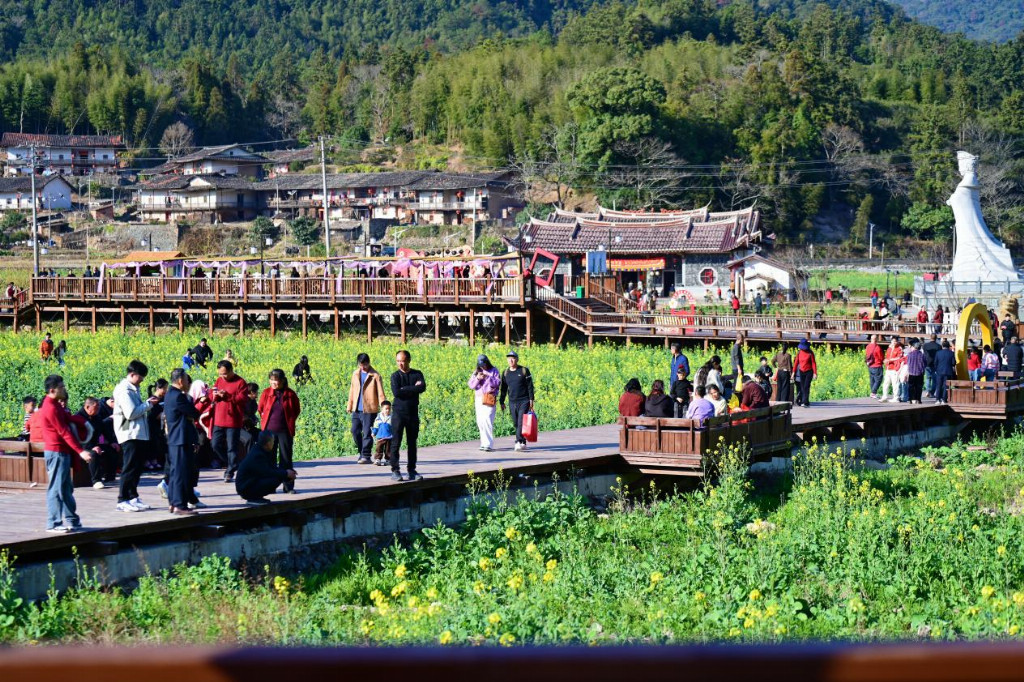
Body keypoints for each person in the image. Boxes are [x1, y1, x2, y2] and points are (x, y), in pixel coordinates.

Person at [38, 375, 94, 533]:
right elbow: (63, 431)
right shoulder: (50, 407)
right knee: (55, 488)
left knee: (66, 488)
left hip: (62, 452)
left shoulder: (56, 405)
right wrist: (80, 451)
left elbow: (67, 419)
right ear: (52, 390)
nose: (64, 389)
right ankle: (53, 523)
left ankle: (72, 520)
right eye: (61, 387)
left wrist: (83, 422)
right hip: (56, 452)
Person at [113, 360, 159, 513]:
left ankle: (133, 497)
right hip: (129, 433)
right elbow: (131, 413)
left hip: (137, 434)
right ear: (132, 374)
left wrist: (146, 403)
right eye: (140, 377)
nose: (142, 380)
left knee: (137, 467)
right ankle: (122, 499)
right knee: (129, 467)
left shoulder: (133, 389)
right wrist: (148, 404)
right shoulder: (124, 390)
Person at [164, 369, 204, 516]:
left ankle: (173, 503)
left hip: (174, 439)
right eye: (187, 380)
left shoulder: (169, 394)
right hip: (181, 438)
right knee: (181, 473)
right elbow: (194, 413)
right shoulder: (179, 397)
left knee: (175, 473)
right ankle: (180, 505)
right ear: (180, 381)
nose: (188, 383)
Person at [258, 369, 301, 492]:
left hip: (284, 431)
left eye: (275, 380)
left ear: (282, 381)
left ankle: (288, 486)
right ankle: (270, 486)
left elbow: (296, 410)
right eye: (271, 380)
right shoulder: (266, 393)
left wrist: (289, 421)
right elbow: (260, 408)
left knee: (286, 459)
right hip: (269, 432)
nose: (273, 383)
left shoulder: (290, 394)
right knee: (269, 460)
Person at [390, 349, 426, 482]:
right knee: (396, 443)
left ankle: (411, 470)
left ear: (409, 360)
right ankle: (395, 470)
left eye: (403, 361)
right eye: (398, 361)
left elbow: (422, 388)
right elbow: (396, 393)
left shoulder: (417, 374)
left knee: (412, 443)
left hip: (412, 413)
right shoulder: (395, 376)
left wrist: (405, 388)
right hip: (398, 414)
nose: (400, 364)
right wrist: (412, 388)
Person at [346, 353, 387, 465]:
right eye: (361, 364)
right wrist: (349, 405)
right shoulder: (355, 374)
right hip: (356, 409)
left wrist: (384, 407)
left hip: (369, 409)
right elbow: (352, 390)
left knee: (367, 433)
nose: (363, 367)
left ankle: (366, 455)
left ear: (369, 362)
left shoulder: (375, 375)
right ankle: (362, 452)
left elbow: (380, 393)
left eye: (365, 364)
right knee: (354, 431)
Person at [212, 360, 249, 482]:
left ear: (231, 370)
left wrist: (227, 396)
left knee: (232, 447)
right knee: (215, 444)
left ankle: (230, 471)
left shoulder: (240, 382)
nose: (222, 376)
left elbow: (242, 399)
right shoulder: (219, 380)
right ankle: (232, 463)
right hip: (219, 418)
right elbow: (213, 395)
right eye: (220, 374)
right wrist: (216, 395)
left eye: (224, 374)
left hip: (233, 420)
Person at [235, 431, 297, 505]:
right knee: (276, 478)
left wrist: (287, 472)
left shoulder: (260, 450)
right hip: (245, 489)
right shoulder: (258, 455)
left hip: (248, 485)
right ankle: (253, 498)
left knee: (279, 475)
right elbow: (268, 472)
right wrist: (286, 474)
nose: (273, 443)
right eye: (273, 441)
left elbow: (272, 468)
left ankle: (256, 497)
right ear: (268, 443)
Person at [76, 397, 117, 489]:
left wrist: (112, 442)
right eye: (96, 407)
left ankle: (109, 477)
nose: (98, 409)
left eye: (99, 407)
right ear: (87, 407)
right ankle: (96, 480)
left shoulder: (96, 417)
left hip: (95, 445)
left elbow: (104, 430)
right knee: (93, 454)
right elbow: (78, 437)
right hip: (82, 447)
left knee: (112, 449)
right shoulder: (78, 418)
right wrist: (91, 447)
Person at [499, 350, 535, 452]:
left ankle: (518, 442)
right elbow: (504, 389)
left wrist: (531, 399)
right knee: (516, 423)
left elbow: (530, 386)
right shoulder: (505, 373)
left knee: (520, 422)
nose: (511, 360)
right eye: (509, 358)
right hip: (512, 401)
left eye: (513, 358)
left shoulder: (524, 370)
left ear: (517, 359)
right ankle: (523, 442)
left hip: (524, 400)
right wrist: (501, 402)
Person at [468, 354, 500, 452]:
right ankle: (483, 443)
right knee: (480, 421)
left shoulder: (494, 370)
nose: (483, 366)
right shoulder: (476, 372)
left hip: (489, 398)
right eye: (481, 365)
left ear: (487, 362)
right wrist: (478, 378)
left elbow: (497, 383)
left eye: (484, 364)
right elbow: (471, 385)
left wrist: (488, 377)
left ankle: (488, 444)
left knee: (487, 420)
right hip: (478, 398)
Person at [794, 339, 817, 407]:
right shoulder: (799, 353)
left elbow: (813, 363)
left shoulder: (810, 353)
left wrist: (815, 373)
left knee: (806, 386)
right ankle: (804, 400)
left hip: (809, 371)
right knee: (802, 386)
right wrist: (793, 372)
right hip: (801, 371)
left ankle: (805, 401)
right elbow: (796, 363)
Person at [880, 338, 904, 403]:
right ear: (891, 341)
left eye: (895, 341)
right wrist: (885, 361)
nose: (894, 342)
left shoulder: (899, 349)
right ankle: (884, 396)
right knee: (885, 383)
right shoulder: (889, 348)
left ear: (897, 342)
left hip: (894, 369)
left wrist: (890, 360)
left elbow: (899, 358)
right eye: (893, 341)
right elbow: (887, 357)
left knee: (895, 384)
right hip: (888, 368)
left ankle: (896, 397)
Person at [371, 401, 393, 466]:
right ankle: (378, 459)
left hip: (389, 437)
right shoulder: (378, 418)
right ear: (382, 409)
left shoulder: (392, 418)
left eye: (389, 409)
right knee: (378, 448)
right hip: (380, 437)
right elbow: (375, 427)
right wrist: (374, 432)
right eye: (386, 409)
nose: (388, 410)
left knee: (388, 450)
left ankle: (388, 460)